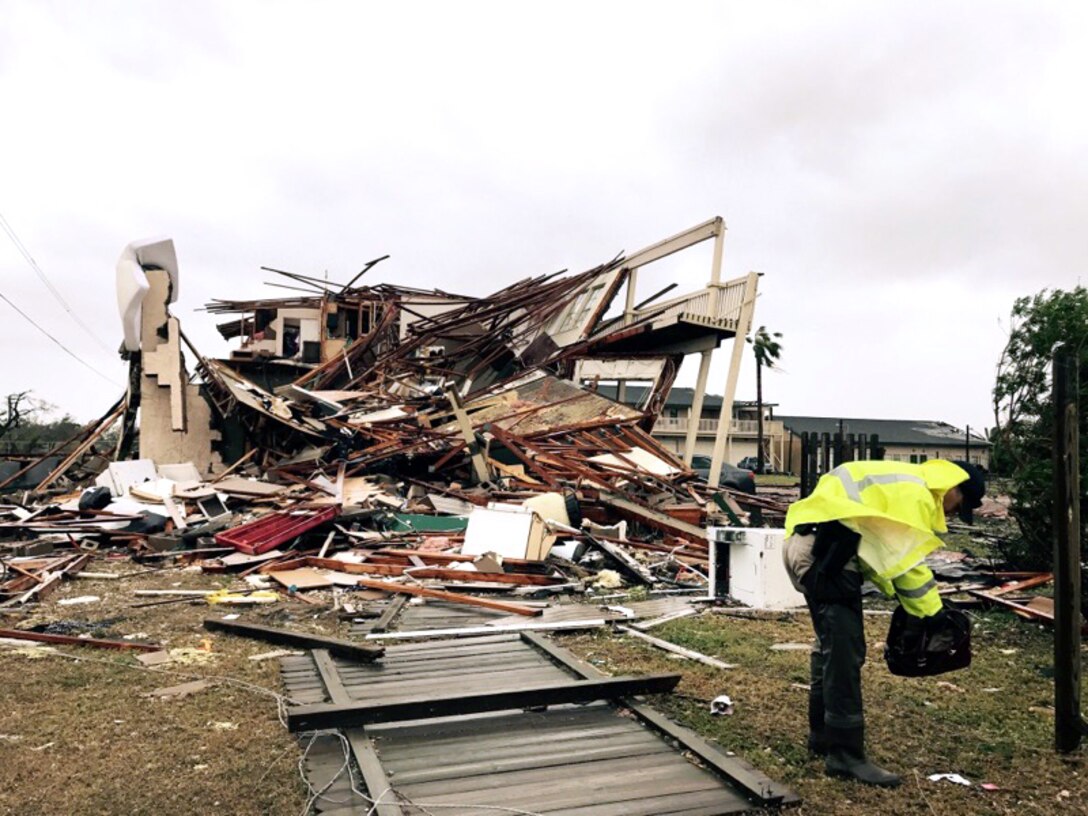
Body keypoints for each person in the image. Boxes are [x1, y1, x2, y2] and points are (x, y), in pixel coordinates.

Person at [782, 458, 986, 787]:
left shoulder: (901, 479)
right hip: (827, 558)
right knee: (846, 654)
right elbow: (906, 566)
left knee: (830, 647)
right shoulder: (915, 494)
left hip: (808, 546)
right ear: (953, 486)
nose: (952, 514)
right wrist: (932, 614)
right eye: (959, 504)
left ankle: (822, 736)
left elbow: (879, 554)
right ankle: (845, 755)